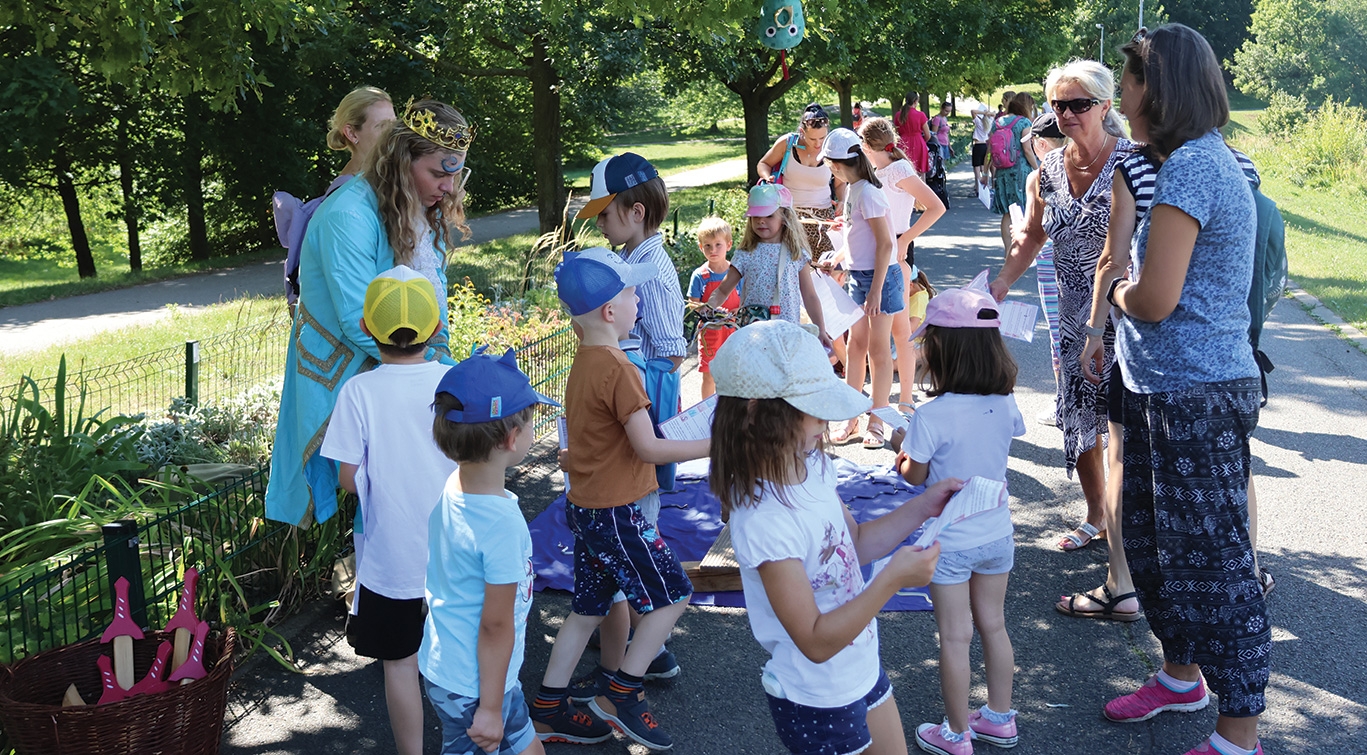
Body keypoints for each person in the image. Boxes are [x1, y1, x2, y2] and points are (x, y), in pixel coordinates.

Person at [1101, 24, 1269, 755]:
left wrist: (1116, 290)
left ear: (1157, 90)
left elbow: (1154, 299)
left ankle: (1239, 733)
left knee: (1215, 565)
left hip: (1193, 397)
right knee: (1156, 549)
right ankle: (1179, 677)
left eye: (1127, 83)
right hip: (1162, 391)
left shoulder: (1194, 168)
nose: (1120, 99)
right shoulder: (1187, 162)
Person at [707, 318, 960, 755]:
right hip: (816, 699)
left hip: (860, 666)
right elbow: (814, 640)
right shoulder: (765, 522)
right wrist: (891, 581)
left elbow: (855, 544)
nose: (826, 419)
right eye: (814, 406)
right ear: (758, 414)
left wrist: (924, 506)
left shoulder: (813, 466)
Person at [531, 249, 709, 751]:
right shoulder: (620, 368)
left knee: (586, 610)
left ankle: (547, 708)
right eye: (633, 293)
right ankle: (622, 693)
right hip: (616, 513)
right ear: (611, 311)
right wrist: (718, 443)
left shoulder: (584, 362)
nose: (639, 301)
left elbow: (589, 442)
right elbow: (649, 448)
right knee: (674, 595)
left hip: (587, 509)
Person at [267, 99, 473, 527]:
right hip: (353, 373)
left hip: (399, 367)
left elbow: (431, 303)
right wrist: (440, 374)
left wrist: (443, 366)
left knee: (410, 493)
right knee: (382, 496)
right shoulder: (347, 215)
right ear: (401, 159)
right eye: (439, 173)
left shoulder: (413, 207)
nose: (450, 187)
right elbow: (361, 320)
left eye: (457, 174)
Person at [988, 63, 1133, 553]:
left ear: (1105, 106)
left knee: (1128, 421)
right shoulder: (1044, 174)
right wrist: (1003, 282)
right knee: (1080, 413)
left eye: (1079, 104)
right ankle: (1096, 514)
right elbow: (1031, 236)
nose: (1067, 114)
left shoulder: (1133, 163)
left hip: (1127, 314)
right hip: (1072, 317)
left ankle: (1130, 522)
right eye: (1058, 105)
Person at [318, 266, 455, 755]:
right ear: (435, 327)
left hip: (392, 556)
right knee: (467, 655)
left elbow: (348, 478)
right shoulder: (452, 382)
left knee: (400, 663)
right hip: (458, 549)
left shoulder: (358, 391)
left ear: (367, 328)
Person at [884, 289, 1024, 755]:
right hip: (997, 532)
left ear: (942, 349)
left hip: (951, 541)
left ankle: (956, 733)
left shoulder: (931, 415)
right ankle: (1000, 718)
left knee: (955, 636)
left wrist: (900, 446)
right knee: (994, 625)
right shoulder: (1006, 402)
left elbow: (915, 476)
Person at [570, 153, 689, 700]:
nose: (599, 222)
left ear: (635, 211)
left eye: (605, 213)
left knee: (637, 512)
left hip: (643, 399)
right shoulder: (631, 257)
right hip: (630, 396)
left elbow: (667, 350)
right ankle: (640, 638)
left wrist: (628, 378)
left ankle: (647, 648)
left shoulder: (649, 268)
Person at [420, 349, 561, 755]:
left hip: (466, 671)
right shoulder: (501, 525)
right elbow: (495, 626)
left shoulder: (456, 484)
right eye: (531, 421)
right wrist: (491, 708)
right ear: (512, 438)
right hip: (474, 688)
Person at [278, 86, 396, 313]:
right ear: (351, 133)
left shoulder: (377, 183)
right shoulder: (347, 199)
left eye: (394, 124)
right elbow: (352, 298)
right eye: (382, 126)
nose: (393, 134)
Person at [858, 116, 946, 406]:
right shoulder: (875, 172)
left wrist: (906, 239)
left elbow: (936, 207)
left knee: (900, 331)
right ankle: (893, 400)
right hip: (875, 250)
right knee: (886, 331)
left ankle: (905, 399)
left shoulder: (898, 169)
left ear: (866, 145)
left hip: (895, 249)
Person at [821, 129, 900, 449]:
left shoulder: (868, 193)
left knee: (878, 352)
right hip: (858, 276)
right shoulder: (854, 190)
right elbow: (858, 238)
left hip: (880, 278)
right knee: (856, 346)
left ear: (836, 165)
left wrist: (876, 290)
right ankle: (851, 416)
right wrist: (837, 258)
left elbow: (885, 244)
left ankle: (877, 421)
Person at [705, 184, 831, 347]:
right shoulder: (746, 253)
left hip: (787, 332)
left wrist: (821, 330)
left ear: (785, 217)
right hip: (754, 334)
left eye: (769, 215)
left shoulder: (796, 253)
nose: (761, 221)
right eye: (755, 216)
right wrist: (709, 308)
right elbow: (723, 289)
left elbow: (810, 295)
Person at [757, 104, 843, 259]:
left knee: (829, 266)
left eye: (822, 138)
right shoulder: (787, 143)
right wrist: (766, 178)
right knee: (793, 265)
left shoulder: (833, 148)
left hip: (824, 218)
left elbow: (841, 183)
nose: (818, 144)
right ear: (802, 132)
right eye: (812, 139)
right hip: (791, 216)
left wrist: (842, 200)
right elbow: (764, 163)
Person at [688, 217, 741, 398]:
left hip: (733, 331)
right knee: (709, 376)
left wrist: (736, 311)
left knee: (732, 374)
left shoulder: (736, 273)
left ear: (729, 245)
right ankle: (707, 410)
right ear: (700, 247)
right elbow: (694, 303)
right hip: (710, 333)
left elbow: (743, 300)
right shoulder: (700, 276)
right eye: (708, 246)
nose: (713, 250)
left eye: (718, 245)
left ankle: (730, 409)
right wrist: (709, 312)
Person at [981, 93, 1040, 252]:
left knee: (1008, 213)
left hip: (1002, 173)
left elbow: (989, 150)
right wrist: (1038, 169)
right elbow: (1027, 150)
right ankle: (1021, 250)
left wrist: (985, 173)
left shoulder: (998, 122)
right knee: (1024, 209)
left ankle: (1008, 251)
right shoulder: (1024, 123)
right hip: (1020, 171)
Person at [894, 92, 932, 175]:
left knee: (903, 173)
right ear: (915, 101)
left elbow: (897, 133)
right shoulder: (920, 115)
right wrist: (922, 141)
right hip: (918, 143)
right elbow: (928, 135)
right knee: (921, 173)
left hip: (903, 144)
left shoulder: (898, 115)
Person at [970, 103, 993, 186]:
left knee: (976, 168)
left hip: (977, 145)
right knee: (983, 168)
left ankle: (978, 187)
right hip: (985, 146)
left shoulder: (978, 123)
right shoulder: (989, 123)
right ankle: (985, 186)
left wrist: (983, 113)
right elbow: (994, 114)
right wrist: (987, 113)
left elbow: (973, 111)